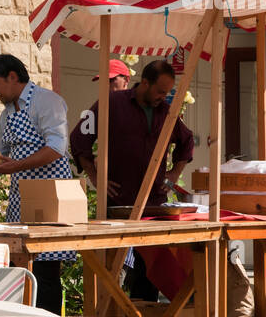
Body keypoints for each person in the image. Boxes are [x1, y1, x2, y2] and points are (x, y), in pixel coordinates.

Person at [0, 54, 74, 313]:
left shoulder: (47, 101)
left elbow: (56, 148)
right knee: (19, 267)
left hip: (50, 195)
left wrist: (14, 166)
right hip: (21, 197)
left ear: (13, 77)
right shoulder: (6, 115)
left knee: (45, 270)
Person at [70, 58, 195, 300]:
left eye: (168, 92)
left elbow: (186, 141)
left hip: (153, 203)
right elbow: (79, 140)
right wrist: (96, 176)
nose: (163, 96)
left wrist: (173, 174)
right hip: (117, 202)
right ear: (144, 83)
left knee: (149, 271)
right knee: (111, 268)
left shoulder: (166, 112)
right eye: (160, 91)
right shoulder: (110, 104)